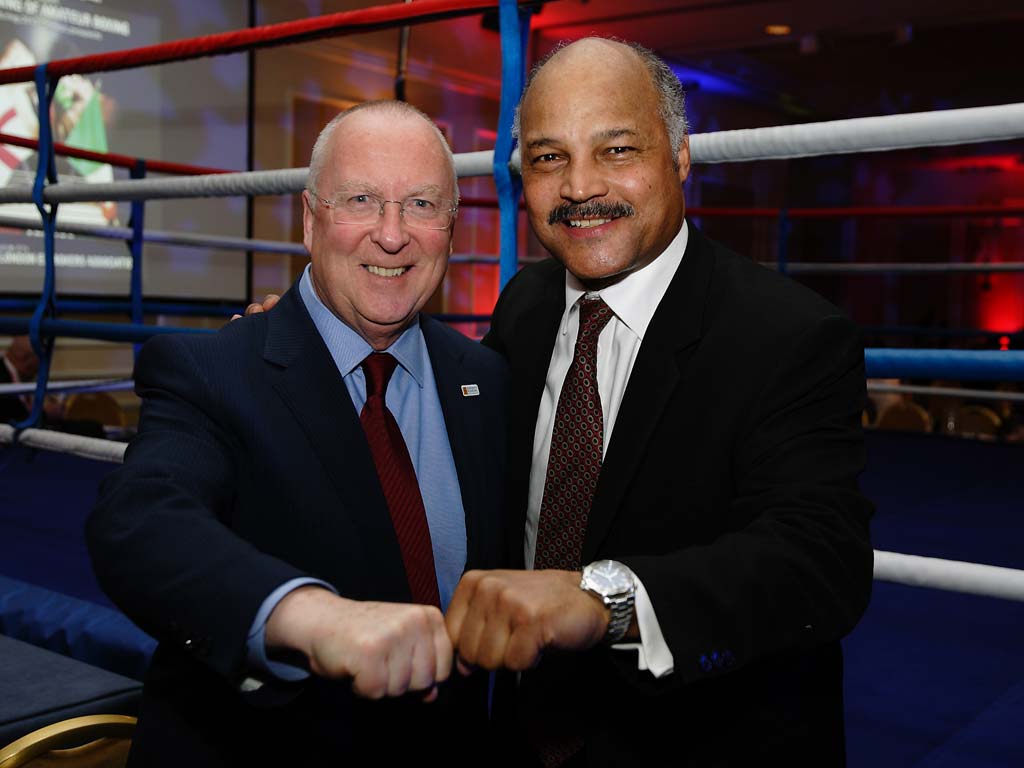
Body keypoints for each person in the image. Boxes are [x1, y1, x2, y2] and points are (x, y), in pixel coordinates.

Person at [443, 38, 874, 766]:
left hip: (700, 738)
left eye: (616, 150)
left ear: (679, 157)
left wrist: (600, 601)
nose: (580, 187)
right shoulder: (523, 305)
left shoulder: (790, 334)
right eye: (549, 157)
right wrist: (320, 347)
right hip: (523, 730)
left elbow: (818, 561)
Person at [86, 100, 508, 766]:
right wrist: (312, 619)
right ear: (311, 221)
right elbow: (140, 521)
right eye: (362, 200)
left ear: (452, 229)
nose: (393, 235)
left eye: (423, 205)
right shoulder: (213, 370)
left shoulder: (484, 377)